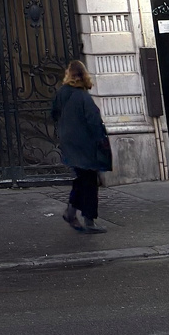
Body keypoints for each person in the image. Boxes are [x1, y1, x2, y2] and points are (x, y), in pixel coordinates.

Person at [51, 58, 112, 234]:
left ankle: (70, 212)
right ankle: (89, 220)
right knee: (90, 181)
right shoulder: (84, 97)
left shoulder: (62, 93)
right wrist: (101, 143)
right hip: (85, 145)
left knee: (82, 179)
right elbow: (94, 122)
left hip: (69, 144)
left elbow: (53, 113)